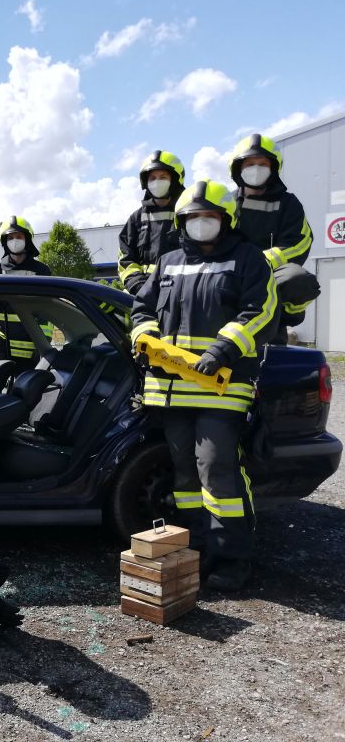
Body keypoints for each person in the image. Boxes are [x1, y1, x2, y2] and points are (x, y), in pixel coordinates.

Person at [131, 180, 279, 591]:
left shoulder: (247, 259)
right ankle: (199, 549)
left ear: (225, 219)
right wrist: (143, 337)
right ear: (182, 221)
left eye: (209, 216)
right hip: (173, 391)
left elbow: (261, 311)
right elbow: (141, 307)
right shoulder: (169, 259)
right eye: (193, 217)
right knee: (184, 476)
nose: (200, 224)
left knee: (217, 471)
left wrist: (221, 351)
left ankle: (234, 558)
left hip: (222, 387)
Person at [229, 133, 317, 334]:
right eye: (249, 164)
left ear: (273, 168)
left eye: (263, 164)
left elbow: (300, 241)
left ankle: (278, 323)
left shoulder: (288, 203)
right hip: (230, 272)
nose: (256, 169)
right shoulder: (226, 202)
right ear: (238, 168)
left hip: (270, 273)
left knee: (298, 279)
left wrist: (260, 262)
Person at [0, 216, 52, 372]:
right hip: (0, 337)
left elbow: (48, 308)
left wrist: (43, 344)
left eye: (19, 236)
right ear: (4, 242)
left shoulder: (42, 271)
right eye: (10, 237)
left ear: (27, 239)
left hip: (32, 342)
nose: (15, 240)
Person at [118, 150, 186, 295]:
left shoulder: (187, 214)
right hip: (144, 292)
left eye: (163, 177)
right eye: (152, 178)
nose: (157, 182)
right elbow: (126, 260)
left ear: (175, 180)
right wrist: (138, 286)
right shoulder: (136, 219)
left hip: (182, 292)